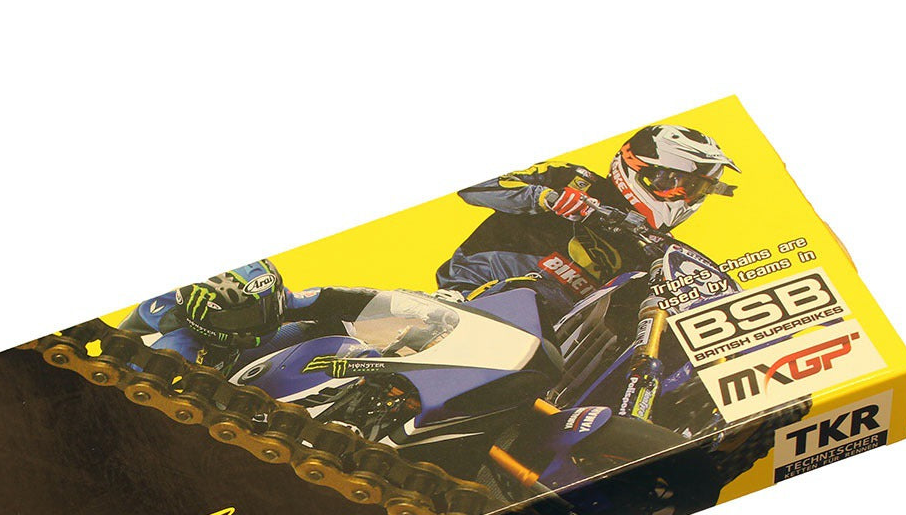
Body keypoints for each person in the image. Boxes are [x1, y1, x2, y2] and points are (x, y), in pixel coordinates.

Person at [436, 124, 739, 323]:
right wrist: (545, 198)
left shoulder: (653, 249)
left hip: (559, 333)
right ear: (638, 166)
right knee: (539, 295)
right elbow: (473, 186)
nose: (681, 196)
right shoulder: (573, 180)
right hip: (475, 292)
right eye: (673, 183)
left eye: (694, 189)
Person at [121, 258, 453, 374]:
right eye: (242, 317)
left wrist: (414, 305)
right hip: (202, 381)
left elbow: (332, 299)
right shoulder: (173, 347)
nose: (261, 320)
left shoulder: (271, 301)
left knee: (329, 326)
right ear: (200, 318)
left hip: (227, 359)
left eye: (267, 306)